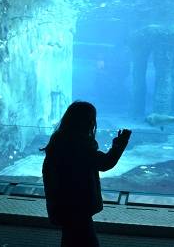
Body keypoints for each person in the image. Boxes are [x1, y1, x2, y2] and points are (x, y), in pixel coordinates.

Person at [41, 101, 131, 247]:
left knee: (70, 238)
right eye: (91, 119)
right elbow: (105, 163)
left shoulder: (59, 139)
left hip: (62, 203)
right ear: (87, 121)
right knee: (87, 241)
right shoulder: (80, 144)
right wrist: (119, 145)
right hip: (78, 205)